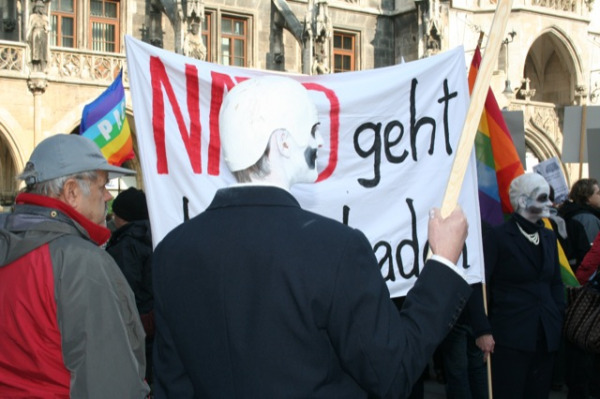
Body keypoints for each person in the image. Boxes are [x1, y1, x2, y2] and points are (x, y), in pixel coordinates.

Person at [152, 75, 472, 398]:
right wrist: (443, 262)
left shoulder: (171, 252)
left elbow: (172, 386)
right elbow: (393, 373)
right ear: (283, 142)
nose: (320, 143)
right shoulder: (336, 250)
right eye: (314, 130)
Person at [0, 134, 150, 398]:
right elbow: (110, 385)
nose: (107, 197)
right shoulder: (80, 262)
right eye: (102, 186)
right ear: (71, 192)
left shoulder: (11, 245)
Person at [470, 172, 565, 399]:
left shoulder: (549, 237)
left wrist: (557, 313)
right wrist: (482, 330)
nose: (550, 204)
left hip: (545, 335)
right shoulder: (498, 237)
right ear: (523, 201)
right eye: (543, 198)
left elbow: (555, 282)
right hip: (510, 337)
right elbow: (478, 285)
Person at [106, 187, 154, 383]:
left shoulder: (125, 244)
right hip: (154, 323)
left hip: (136, 326)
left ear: (122, 217)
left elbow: (124, 291)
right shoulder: (157, 235)